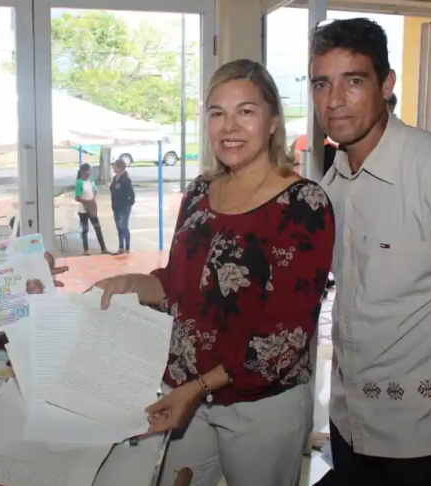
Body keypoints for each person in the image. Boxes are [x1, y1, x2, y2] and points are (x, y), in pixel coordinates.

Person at [94, 59, 335, 486]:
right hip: (185, 391)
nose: (230, 127)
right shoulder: (199, 192)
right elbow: (179, 286)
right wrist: (131, 284)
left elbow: (284, 337)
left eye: (246, 111)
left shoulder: (304, 204)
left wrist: (199, 387)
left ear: (273, 122)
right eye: (217, 113)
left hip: (260, 404)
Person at [311, 18, 431, 486]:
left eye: (353, 81)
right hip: (349, 424)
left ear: (386, 84)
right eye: (321, 84)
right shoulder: (330, 185)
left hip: (429, 436)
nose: (334, 100)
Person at [75, 163, 107, 255]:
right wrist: (88, 202)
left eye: (90, 171)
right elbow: (77, 198)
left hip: (92, 209)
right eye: (88, 171)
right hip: (83, 210)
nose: (89, 173)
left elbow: (95, 191)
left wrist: (93, 199)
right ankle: (86, 250)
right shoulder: (79, 183)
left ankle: (103, 248)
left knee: (97, 228)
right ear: (83, 172)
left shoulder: (91, 181)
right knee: (85, 230)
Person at [110, 158, 135, 254]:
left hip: (124, 207)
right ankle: (121, 247)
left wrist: (129, 203)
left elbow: (131, 194)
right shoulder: (114, 179)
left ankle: (127, 247)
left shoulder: (126, 180)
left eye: (114, 166)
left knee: (123, 226)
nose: (113, 167)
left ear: (119, 167)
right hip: (115, 206)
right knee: (119, 227)